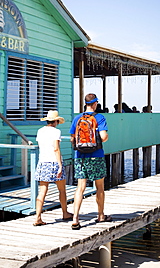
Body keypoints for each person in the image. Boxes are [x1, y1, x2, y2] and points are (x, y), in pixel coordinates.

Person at [70, 93, 112, 230]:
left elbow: (72, 138)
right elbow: (104, 137)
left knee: (80, 187)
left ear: (85, 103)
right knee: (99, 186)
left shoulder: (77, 118)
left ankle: (75, 218)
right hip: (96, 156)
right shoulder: (99, 117)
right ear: (95, 104)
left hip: (80, 156)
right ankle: (100, 215)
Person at [33, 110, 73, 226]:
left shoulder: (40, 131)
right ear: (56, 121)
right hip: (54, 162)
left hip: (42, 162)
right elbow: (56, 148)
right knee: (61, 189)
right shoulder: (56, 132)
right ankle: (65, 213)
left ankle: (38, 217)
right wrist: (60, 165)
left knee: (42, 191)